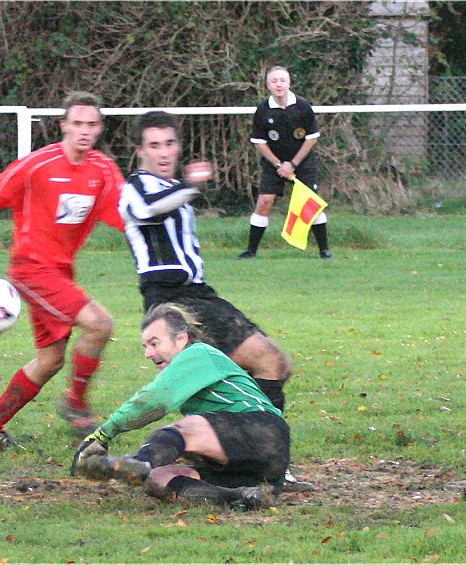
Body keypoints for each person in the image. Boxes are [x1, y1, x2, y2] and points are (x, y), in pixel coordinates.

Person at [118, 110, 313, 491]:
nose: (164, 152)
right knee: (248, 370)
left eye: (170, 143)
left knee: (266, 368)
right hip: (172, 302)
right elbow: (148, 209)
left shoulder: (173, 188)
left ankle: (251, 464)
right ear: (139, 150)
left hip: (201, 297)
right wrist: (190, 183)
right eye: (154, 145)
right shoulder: (136, 188)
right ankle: (259, 467)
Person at [0, 91, 125, 449]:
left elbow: (130, 213)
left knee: (50, 361)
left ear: (100, 129)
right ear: (63, 125)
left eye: (92, 124)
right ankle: (76, 403)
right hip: (31, 268)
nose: (84, 131)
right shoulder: (38, 165)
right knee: (100, 324)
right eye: (77, 123)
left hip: (60, 274)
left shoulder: (102, 170)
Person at [71, 303, 290, 510]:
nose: (148, 354)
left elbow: (155, 400)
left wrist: (103, 434)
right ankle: (242, 497)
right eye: (145, 347)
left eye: (154, 343)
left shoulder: (199, 353)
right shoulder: (194, 367)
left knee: (187, 428)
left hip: (264, 431)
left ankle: (137, 463)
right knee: (158, 478)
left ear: (181, 339)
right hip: (249, 464)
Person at [238, 65, 331, 260]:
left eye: (282, 80)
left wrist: (293, 164)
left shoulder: (303, 106)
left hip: (302, 162)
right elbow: (259, 142)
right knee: (264, 202)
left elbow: (312, 138)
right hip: (275, 165)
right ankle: (251, 251)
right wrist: (279, 165)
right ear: (268, 85)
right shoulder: (263, 110)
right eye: (274, 81)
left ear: (289, 83)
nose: (279, 85)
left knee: (310, 204)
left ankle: (325, 251)